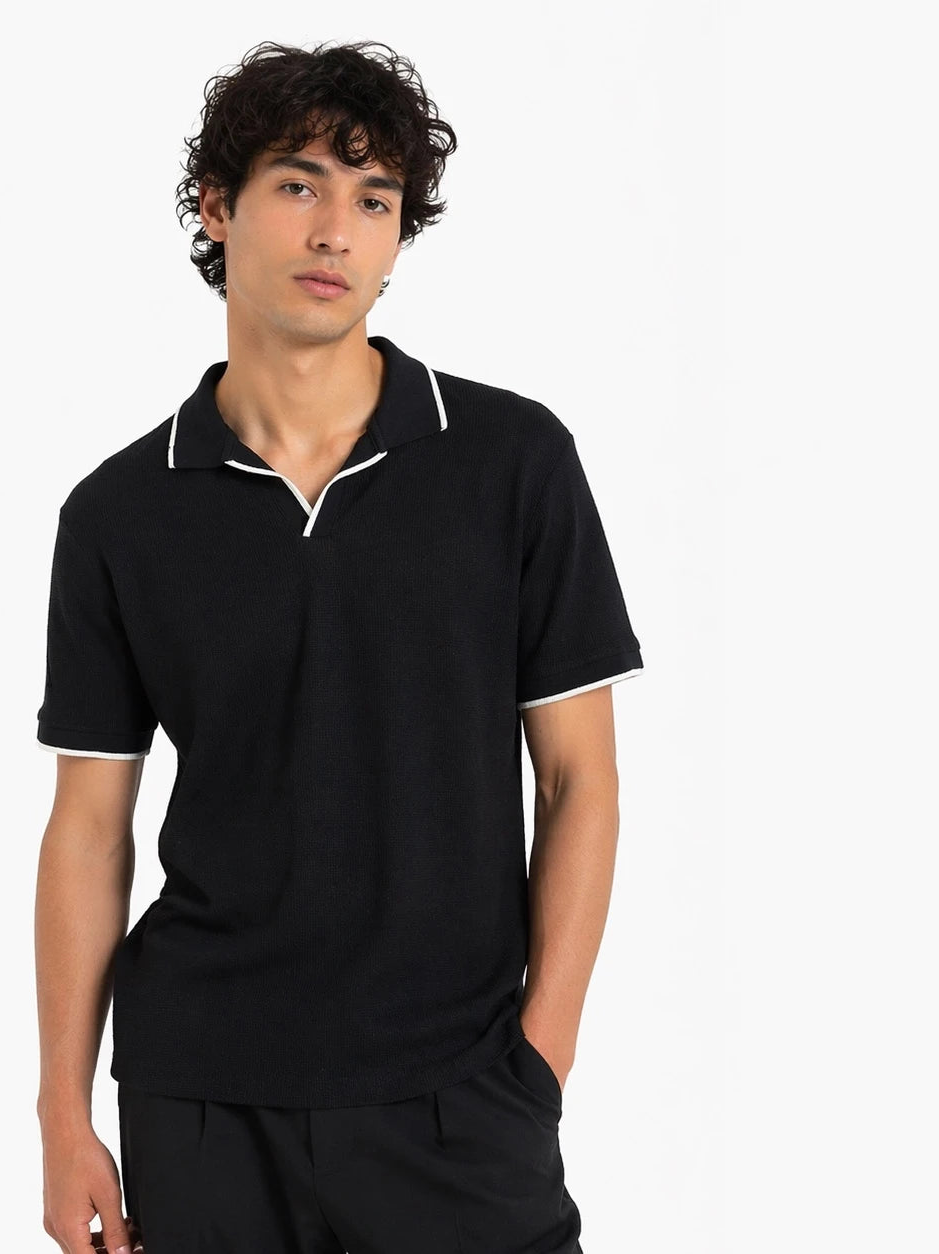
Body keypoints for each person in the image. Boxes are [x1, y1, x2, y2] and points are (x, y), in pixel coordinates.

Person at [34, 39, 643, 1254]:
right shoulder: (119, 514)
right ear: (217, 206)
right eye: (299, 185)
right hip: (200, 1098)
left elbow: (580, 780)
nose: (336, 232)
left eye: (375, 200)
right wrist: (63, 1113)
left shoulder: (511, 462)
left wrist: (542, 1059)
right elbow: (89, 828)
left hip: (462, 1094)